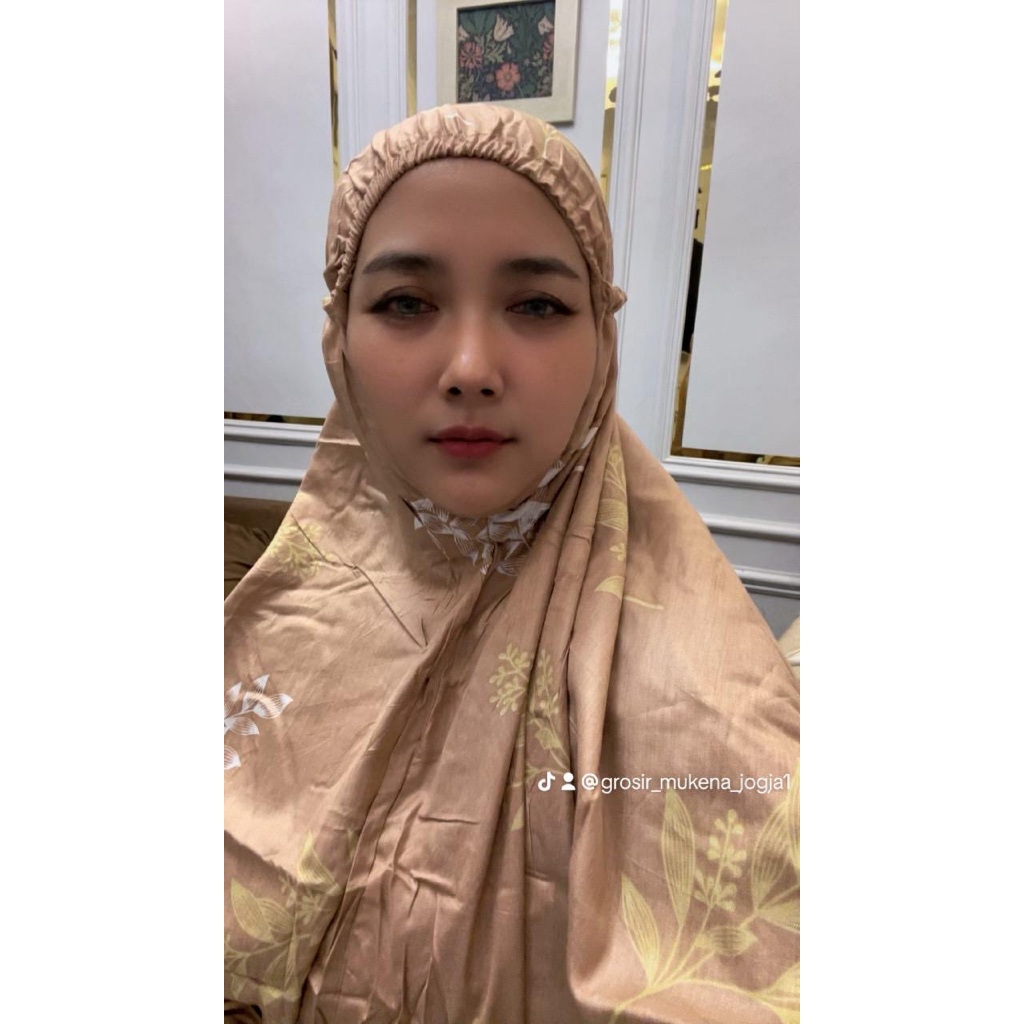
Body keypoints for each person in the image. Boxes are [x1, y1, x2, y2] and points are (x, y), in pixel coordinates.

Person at [225, 103, 799, 1024]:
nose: (470, 367)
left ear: (602, 337)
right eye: (406, 303)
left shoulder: (701, 708)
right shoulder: (289, 613)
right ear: (339, 339)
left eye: (537, 306)